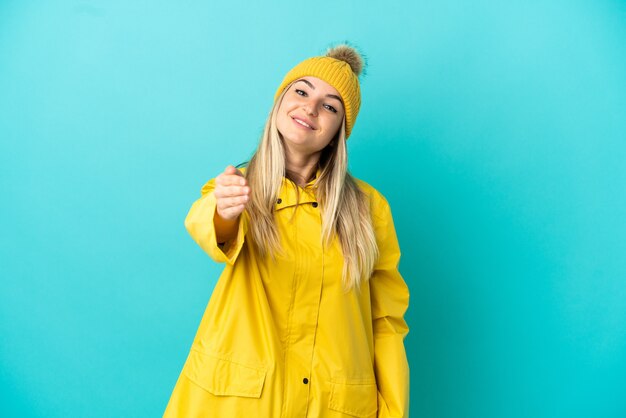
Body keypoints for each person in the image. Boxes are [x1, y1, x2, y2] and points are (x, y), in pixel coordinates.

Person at [164, 44, 410, 418]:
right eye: (301, 91)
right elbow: (209, 223)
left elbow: (385, 321)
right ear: (279, 102)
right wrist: (225, 211)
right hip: (239, 402)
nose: (310, 108)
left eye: (329, 105)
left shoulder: (369, 208)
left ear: (339, 133)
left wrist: (392, 409)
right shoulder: (240, 186)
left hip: (334, 406)